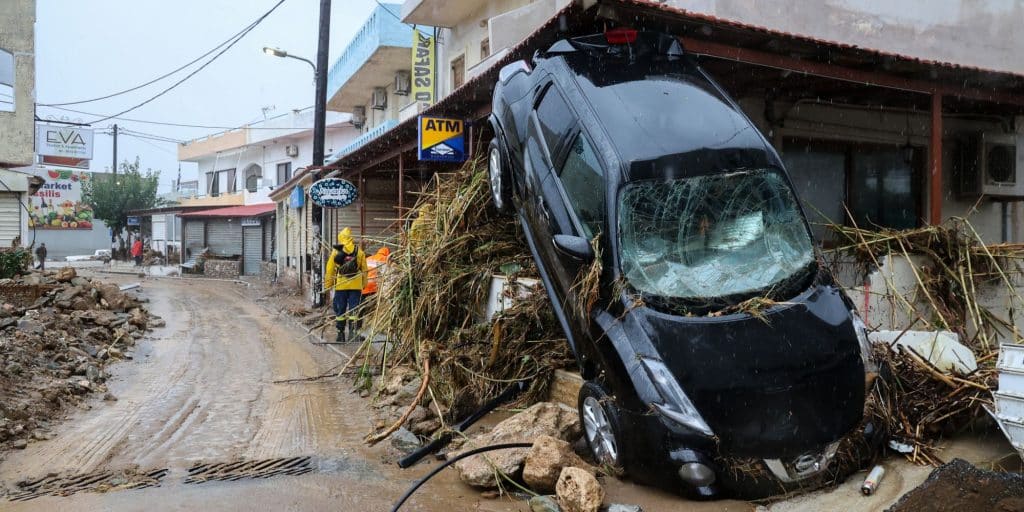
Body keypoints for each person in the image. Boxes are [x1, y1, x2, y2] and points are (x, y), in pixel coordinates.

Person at [324, 227, 367, 343]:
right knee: (354, 309)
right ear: (351, 238)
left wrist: (329, 285)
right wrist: (363, 284)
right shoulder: (359, 252)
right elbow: (364, 270)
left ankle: (340, 335)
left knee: (340, 310)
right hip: (356, 285)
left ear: (341, 237)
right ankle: (353, 334)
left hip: (341, 285)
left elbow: (330, 269)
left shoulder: (336, 251)